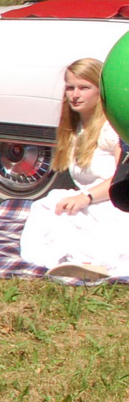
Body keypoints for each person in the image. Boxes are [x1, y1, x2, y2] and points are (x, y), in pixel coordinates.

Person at [20, 57, 129, 279]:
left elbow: (122, 177)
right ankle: (69, 262)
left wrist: (87, 197)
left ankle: (97, 263)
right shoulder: (74, 129)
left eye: (84, 88)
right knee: (48, 208)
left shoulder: (111, 129)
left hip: (112, 201)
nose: (75, 94)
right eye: (70, 87)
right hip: (86, 200)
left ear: (100, 92)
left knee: (100, 220)